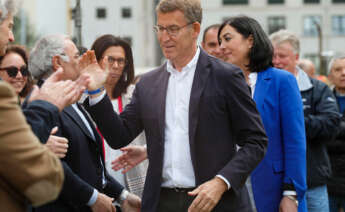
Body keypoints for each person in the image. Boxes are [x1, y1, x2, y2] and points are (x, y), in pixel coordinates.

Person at [84, 0, 268, 211]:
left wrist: (221, 182)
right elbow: (119, 136)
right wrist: (96, 92)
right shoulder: (148, 83)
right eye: (160, 29)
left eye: (173, 29)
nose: (164, 37)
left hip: (215, 201)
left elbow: (256, 141)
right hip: (162, 202)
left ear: (195, 29)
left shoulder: (226, 77)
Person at [29, 34, 140, 212]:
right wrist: (92, 197)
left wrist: (122, 195)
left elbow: (92, 164)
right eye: (75, 56)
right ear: (58, 63)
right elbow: (54, 166)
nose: (81, 61)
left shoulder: (72, 100)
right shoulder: (43, 104)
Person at [217, 15, 307, 212]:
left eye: (227, 38)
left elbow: (295, 140)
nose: (221, 46)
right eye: (219, 41)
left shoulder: (281, 81)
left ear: (250, 40)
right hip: (227, 185)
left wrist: (291, 193)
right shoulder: (218, 84)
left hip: (272, 187)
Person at [270, 29, 340, 212]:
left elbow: (331, 124)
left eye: (282, 56)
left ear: (296, 57)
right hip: (274, 181)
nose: (276, 61)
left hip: (312, 181)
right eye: (273, 56)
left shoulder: (317, 89)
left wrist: (293, 122)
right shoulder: (263, 88)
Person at [91, 34, 147, 204]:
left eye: (121, 61)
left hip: (133, 178)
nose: (115, 66)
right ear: (96, 60)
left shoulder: (136, 95)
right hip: (97, 183)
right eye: (110, 59)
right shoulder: (83, 98)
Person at [327, 53, 345, 212]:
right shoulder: (322, 98)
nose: (343, 73)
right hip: (328, 179)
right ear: (330, 75)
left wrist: (332, 129)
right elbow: (318, 133)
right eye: (338, 69)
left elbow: (326, 130)